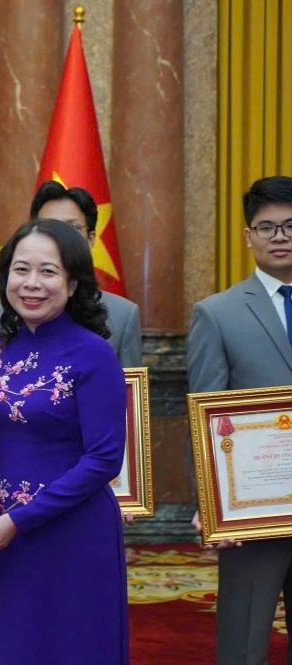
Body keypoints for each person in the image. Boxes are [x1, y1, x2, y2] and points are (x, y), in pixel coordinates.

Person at [0, 218, 128, 663]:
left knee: (73, 646)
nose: (32, 283)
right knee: (15, 646)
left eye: (48, 272)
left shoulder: (93, 352)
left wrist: (24, 517)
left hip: (71, 531)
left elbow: (105, 459)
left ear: (73, 283)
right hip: (4, 533)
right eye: (21, 270)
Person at [187, 175, 292, 664]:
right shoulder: (218, 313)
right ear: (248, 235)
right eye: (266, 226)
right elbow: (204, 411)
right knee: (244, 637)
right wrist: (211, 501)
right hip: (253, 507)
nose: (279, 236)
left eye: (290, 225)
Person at [0, 180, 141, 367]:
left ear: (90, 239)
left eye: (71, 229)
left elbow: (129, 392)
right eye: (49, 226)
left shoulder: (123, 315)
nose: (58, 237)